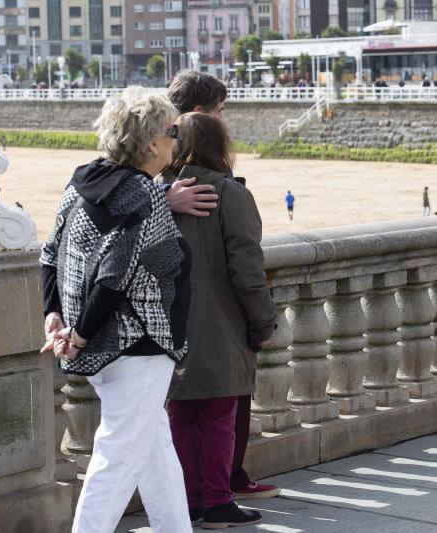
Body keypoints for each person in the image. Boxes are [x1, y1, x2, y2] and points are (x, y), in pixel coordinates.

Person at [39, 87, 193, 533]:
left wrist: (55, 316)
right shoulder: (143, 196)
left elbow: (50, 254)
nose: (175, 141)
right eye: (171, 132)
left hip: (100, 347)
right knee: (118, 455)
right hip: (138, 345)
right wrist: (80, 334)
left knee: (154, 448)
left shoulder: (83, 180)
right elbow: (115, 275)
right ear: (149, 142)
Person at [164, 69, 282, 501]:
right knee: (221, 414)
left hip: (167, 327)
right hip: (220, 324)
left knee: (180, 413)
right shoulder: (226, 192)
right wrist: (264, 323)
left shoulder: (158, 186)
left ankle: (187, 499)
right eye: (221, 112)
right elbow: (247, 269)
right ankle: (215, 497)